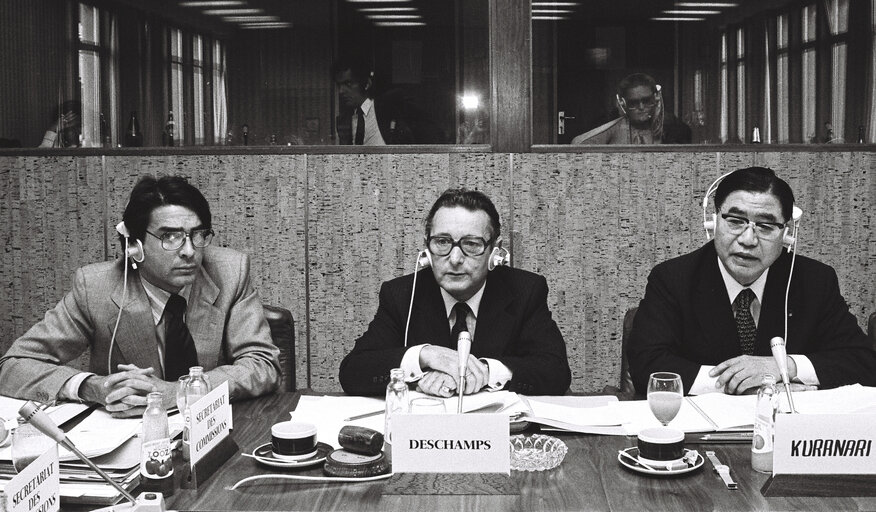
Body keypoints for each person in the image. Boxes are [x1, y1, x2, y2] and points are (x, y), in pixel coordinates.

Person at [0, 175, 281, 416]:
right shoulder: (97, 287)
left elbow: (262, 364)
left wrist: (179, 392)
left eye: (197, 235)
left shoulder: (230, 271)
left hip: (214, 432)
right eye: (170, 237)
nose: (189, 251)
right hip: (131, 436)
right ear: (135, 246)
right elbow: (13, 367)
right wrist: (90, 386)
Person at [628, 167, 876, 395]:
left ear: (787, 233)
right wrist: (748, 388)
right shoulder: (674, 278)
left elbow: (862, 362)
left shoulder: (814, 281)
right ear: (714, 222)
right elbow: (647, 366)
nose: (748, 239)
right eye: (735, 221)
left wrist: (785, 367)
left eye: (765, 226)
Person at [339, 188, 571, 397]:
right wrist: (425, 356)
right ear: (426, 248)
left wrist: (485, 372)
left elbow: (556, 373)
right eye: (442, 242)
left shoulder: (525, 291)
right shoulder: (402, 295)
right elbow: (353, 371)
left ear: (495, 252)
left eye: (471, 244)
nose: (455, 259)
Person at [332, 57, 443, 145]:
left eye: (348, 84)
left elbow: (428, 129)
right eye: (339, 85)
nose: (341, 91)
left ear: (366, 84)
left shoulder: (389, 107)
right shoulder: (344, 120)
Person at [572, 73, 690, 145]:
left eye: (647, 101)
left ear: (655, 98)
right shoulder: (614, 128)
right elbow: (578, 143)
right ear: (623, 103)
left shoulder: (670, 125)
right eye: (633, 103)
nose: (641, 107)